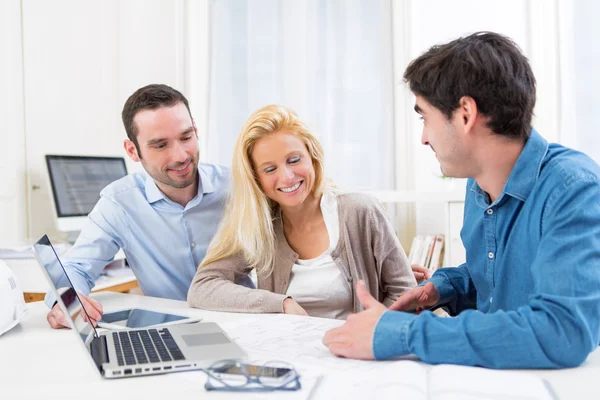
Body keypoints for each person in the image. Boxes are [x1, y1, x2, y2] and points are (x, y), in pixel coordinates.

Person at [323, 32, 600, 368]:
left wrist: (403, 333)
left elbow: (563, 331)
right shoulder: (477, 183)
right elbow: (500, 276)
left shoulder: (573, 188)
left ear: (466, 113)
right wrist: (444, 287)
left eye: (425, 118)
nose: (424, 138)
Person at [187, 105, 416, 319]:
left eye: (294, 160)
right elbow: (203, 288)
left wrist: (371, 334)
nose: (287, 176)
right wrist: (280, 304)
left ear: (312, 156)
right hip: (288, 358)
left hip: (359, 356)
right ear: (256, 179)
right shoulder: (259, 225)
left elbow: (405, 293)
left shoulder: (359, 211)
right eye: (270, 169)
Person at [46, 84, 230, 329]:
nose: (180, 155)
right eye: (160, 145)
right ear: (133, 150)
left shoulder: (236, 187)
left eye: (186, 137)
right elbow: (77, 268)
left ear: (196, 130)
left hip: (244, 322)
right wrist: (67, 300)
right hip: (171, 330)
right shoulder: (120, 203)